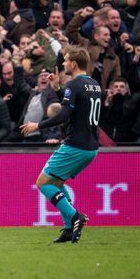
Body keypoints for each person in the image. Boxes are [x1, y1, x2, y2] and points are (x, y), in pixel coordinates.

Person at [21, 48, 102, 243]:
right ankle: (68, 229)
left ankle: (75, 217)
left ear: (73, 63)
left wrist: (37, 125)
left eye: (66, 60)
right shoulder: (95, 85)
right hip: (91, 147)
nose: (64, 64)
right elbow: (73, 111)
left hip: (75, 145)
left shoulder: (74, 85)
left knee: (43, 182)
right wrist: (57, 88)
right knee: (57, 183)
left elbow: (64, 116)